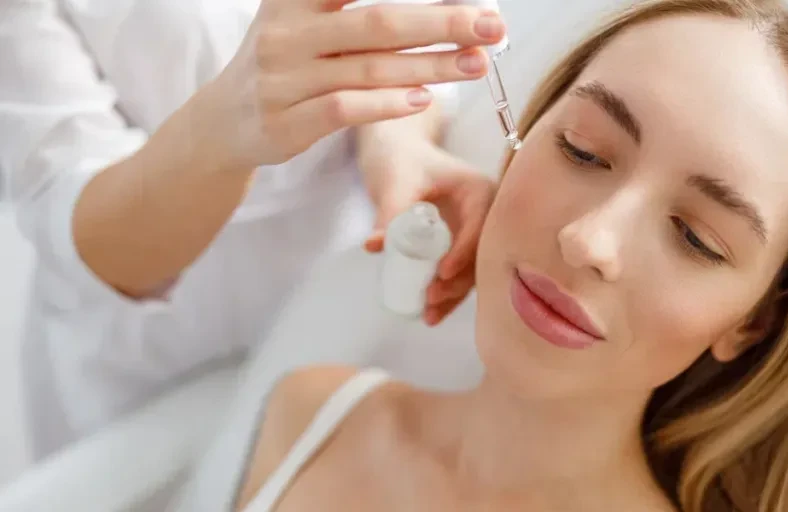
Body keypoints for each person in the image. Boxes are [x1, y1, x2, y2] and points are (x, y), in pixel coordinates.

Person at [184, 0, 788, 510]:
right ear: (523, 136)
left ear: (752, 323)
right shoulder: (311, 411)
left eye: (696, 238)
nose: (588, 241)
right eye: (583, 150)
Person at [0, 0, 507, 459]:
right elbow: (66, 200)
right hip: (146, 352)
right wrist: (220, 131)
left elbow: (404, 30)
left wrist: (396, 142)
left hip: (347, 286)